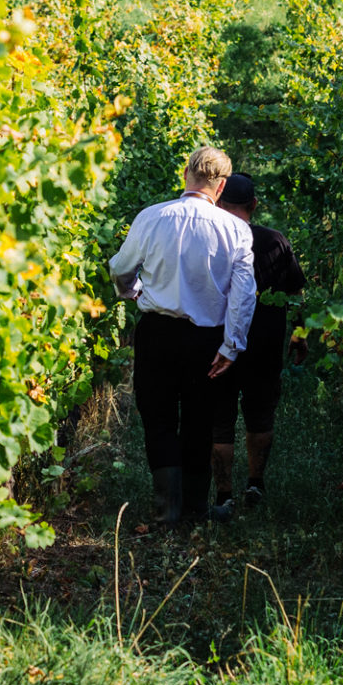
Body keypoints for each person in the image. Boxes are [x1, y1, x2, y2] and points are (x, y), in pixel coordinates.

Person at [108, 146, 256, 525]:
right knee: (199, 419)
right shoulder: (235, 228)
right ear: (221, 186)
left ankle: (167, 509)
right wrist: (232, 345)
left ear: (186, 173)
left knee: (157, 416)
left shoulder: (152, 217)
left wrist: (131, 290)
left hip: (157, 334)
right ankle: (196, 508)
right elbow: (243, 294)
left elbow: (121, 268)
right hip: (206, 339)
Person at [210, 173, 306, 510]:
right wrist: (299, 333)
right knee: (260, 417)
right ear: (254, 204)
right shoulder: (275, 241)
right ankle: (255, 485)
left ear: (219, 202)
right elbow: (296, 293)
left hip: (218, 347)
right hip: (264, 348)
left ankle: (223, 495)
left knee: (220, 422)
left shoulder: (212, 240)